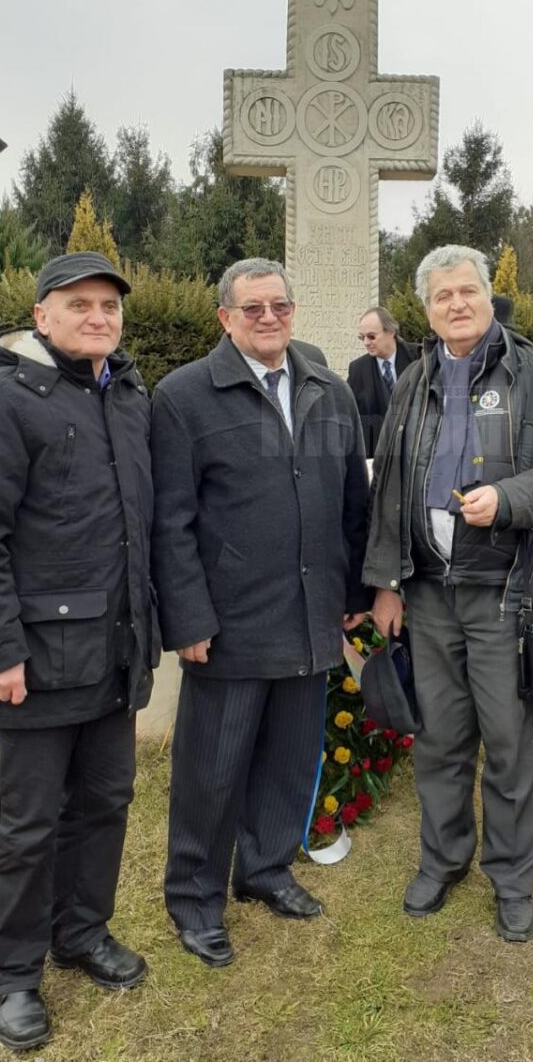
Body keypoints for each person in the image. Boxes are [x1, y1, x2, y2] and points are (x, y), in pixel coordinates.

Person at [0, 252, 157, 1051]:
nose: (99, 317)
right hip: (33, 663)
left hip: (116, 651)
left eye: (109, 306)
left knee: (104, 804)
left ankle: (82, 933)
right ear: (41, 316)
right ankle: (11, 973)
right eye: (80, 305)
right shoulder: (2, 399)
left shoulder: (128, 396)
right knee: (28, 824)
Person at [364, 245, 533, 942]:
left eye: (468, 291)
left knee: (509, 740)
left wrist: (509, 497)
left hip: (510, 593)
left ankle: (512, 876)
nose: (457, 304)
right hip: (430, 593)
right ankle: (442, 860)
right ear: (427, 310)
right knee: (438, 739)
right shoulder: (411, 381)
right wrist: (385, 582)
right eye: (443, 297)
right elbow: (389, 492)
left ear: (489, 296)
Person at [151, 258, 370, 968]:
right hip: (230, 622)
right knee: (212, 769)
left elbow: (352, 509)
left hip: (311, 614)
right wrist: (186, 618)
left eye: (279, 306)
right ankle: (194, 897)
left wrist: (355, 598)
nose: (268, 318)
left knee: (290, 756)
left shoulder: (330, 392)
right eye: (252, 309)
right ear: (224, 318)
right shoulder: (184, 398)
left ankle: (267, 869)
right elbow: (171, 522)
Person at [346, 306, 418, 458]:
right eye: (362, 337)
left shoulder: (418, 358)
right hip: (378, 457)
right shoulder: (358, 370)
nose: (366, 342)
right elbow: (351, 417)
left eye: (371, 336)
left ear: (391, 332)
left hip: (416, 451)